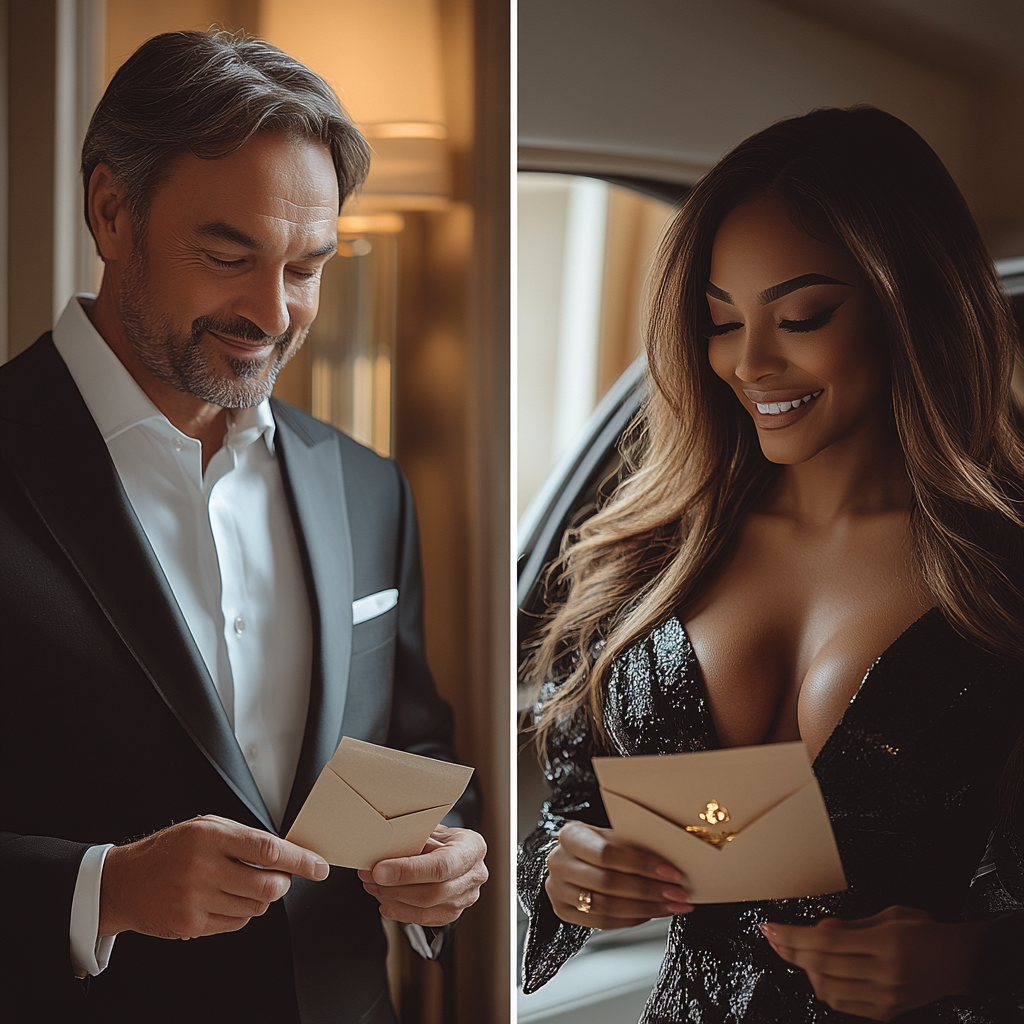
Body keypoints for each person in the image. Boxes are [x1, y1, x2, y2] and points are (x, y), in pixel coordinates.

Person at [0, 30, 486, 1024]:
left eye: (308, 266)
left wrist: (447, 861)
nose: (273, 312)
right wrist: (108, 889)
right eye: (229, 255)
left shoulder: (364, 485)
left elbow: (415, 752)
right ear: (109, 211)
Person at [518, 106, 1024, 1022]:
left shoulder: (1006, 574)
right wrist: (568, 872)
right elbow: (571, 811)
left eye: (801, 315)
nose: (750, 362)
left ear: (912, 304)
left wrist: (980, 959)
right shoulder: (648, 554)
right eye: (720, 322)